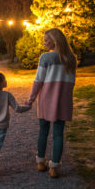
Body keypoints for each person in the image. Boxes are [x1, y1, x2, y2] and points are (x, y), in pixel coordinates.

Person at [25, 28, 76, 178]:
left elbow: (38, 80)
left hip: (47, 99)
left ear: (55, 40)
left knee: (43, 130)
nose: (44, 43)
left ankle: (41, 162)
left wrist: (31, 98)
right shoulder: (71, 58)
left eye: (46, 40)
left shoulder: (46, 57)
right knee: (59, 134)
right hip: (63, 100)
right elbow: (72, 82)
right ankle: (54, 167)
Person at [0, 72, 31, 182]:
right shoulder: (7, 95)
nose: (6, 81)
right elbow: (17, 108)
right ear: (1, 83)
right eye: (5, 80)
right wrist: (28, 107)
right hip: (1, 126)